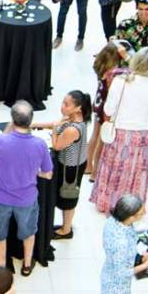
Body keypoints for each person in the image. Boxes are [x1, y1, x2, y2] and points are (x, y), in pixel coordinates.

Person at [0, 100, 53, 275]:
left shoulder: (0, 140)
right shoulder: (40, 145)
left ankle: (1, 266)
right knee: (29, 232)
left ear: (13, 120)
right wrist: (35, 172)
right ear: (31, 120)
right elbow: (48, 174)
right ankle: (27, 264)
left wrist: (7, 130)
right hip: (26, 199)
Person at [90, 48, 148, 217]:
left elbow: (108, 109)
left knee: (114, 168)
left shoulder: (120, 81)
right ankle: (131, 206)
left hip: (120, 133)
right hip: (143, 135)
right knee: (136, 171)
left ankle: (107, 202)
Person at [44, 87, 90, 239]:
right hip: (75, 163)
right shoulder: (76, 119)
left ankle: (66, 230)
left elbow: (57, 145)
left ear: (78, 108)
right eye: (63, 102)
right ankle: (66, 226)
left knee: (68, 196)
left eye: (66, 104)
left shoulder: (73, 129)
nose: (62, 107)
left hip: (70, 168)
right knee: (68, 196)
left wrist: (56, 129)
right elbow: (56, 124)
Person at [86, 40, 127, 175]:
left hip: (98, 102)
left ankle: (88, 165)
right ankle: (95, 172)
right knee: (102, 140)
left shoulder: (99, 66)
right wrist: (126, 57)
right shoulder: (113, 72)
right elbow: (133, 70)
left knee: (94, 134)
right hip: (106, 106)